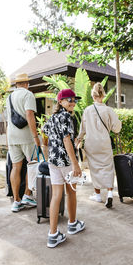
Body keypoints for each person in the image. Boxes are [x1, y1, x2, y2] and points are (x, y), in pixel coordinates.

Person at [43, 89, 85, 248]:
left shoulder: (53, 117)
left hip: (53, 161)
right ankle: (73, 224)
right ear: (60, 101)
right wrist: (75, 164)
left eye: (74, 100)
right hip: (66, 161)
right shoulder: (67, 116)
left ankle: (52, 235)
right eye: (69, 100)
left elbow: (44, 131)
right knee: (71, 192)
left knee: (56, 196)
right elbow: (67, 140)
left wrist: (47, 149)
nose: (72, 102)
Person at [76, 82, 121, 208]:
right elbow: (116, 129)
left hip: (91, 144)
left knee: (94, 168)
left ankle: (97, 195)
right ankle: (110, 193)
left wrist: (79, 139)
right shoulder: (108, 110)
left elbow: (82, 129)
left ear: (93, 95)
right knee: (108, 167)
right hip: (104, 143)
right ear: (103, 95)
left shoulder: (87, 110)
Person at [6, 73, 40, 212]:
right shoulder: (28, 94)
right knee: (32, 165)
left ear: (16, 84)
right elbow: (29, 115)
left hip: (12, 137)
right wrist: (35, 136)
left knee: (16, 167)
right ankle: (27, 195)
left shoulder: (9, 97)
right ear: (26, 83)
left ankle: (16, 200)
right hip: (26, 136)